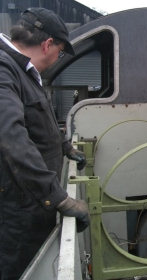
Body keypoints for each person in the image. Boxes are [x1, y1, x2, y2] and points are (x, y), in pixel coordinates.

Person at [0, 8, 89, 279]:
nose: (56, 58)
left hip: (34, 202)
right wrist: (59, 197)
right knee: (19, 269)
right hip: (19, 208)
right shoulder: (5, 70)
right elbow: (11, 138)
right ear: (47, 44)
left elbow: (39, 118)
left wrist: (65, 147)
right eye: (60, 51)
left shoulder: (24, 71)